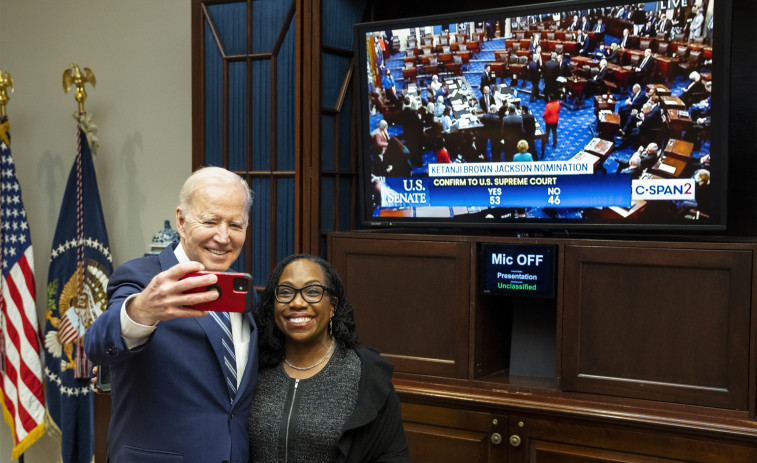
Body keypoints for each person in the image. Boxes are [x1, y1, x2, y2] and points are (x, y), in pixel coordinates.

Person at [85, 167, 258, 463]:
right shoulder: (140, 278)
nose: (223, 236)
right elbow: (97, 345)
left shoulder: (243, 292)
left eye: (235, 224)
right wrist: (141, 310)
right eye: (211, 221)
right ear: (182, 220)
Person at [248, 254, 410, 463]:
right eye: (286, 292)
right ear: (273, 305)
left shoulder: (367, 375)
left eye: (312, 291)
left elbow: (392, 456)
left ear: (332, 305)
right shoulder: (253, 367)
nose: (297, 302)